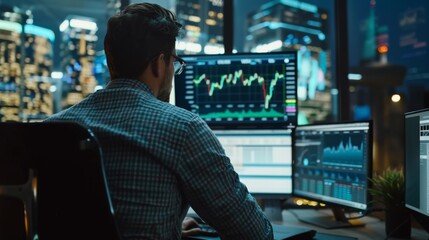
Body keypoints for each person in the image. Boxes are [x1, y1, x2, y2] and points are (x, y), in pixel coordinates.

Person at [45, 2, 273, 239]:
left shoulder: (52, 129)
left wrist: (168, 226)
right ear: (159, 63)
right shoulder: (184, 128)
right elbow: (255, 234)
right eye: (174, 63)